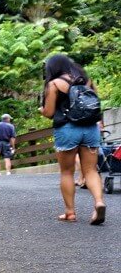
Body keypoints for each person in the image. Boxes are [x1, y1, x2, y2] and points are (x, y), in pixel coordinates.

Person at [40, 53, 105, 225]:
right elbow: (95, 104)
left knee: (67, 172)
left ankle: (70, 212)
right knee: (91, 170)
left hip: (68, 130)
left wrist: (42, 110)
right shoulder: (86, 80)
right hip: (91, 129)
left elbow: (49, 112)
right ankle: (99, 202)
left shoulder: (54, 84)